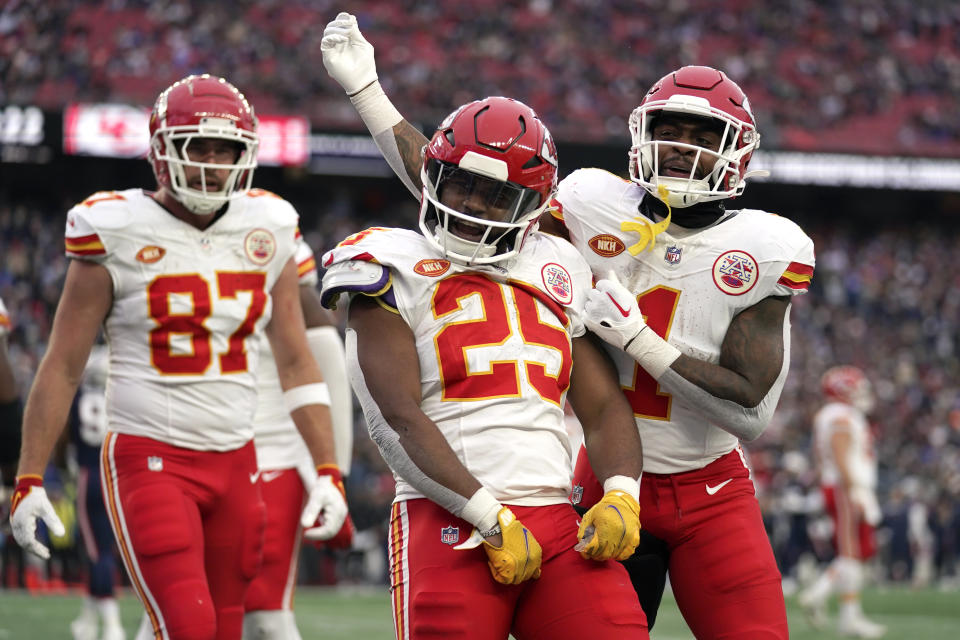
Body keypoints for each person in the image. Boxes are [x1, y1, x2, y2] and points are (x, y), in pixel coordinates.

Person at [321, 15, 815, 638]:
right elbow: (478, 195)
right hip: (590, 477)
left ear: (737, 148)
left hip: (702, 479)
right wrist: (368, 92)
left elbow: (749, 414)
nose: (684, 147)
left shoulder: (767, 246)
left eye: (703, 134)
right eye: (671, 130)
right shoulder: (586, 206)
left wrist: (640, 345)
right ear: (641, 133)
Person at [9, 74, 348, 640]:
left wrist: (329, 469)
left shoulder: (269, 225)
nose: (213, 162)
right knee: (187, 624)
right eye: (199, 146)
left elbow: (296, 361)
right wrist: (29, 475)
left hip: (239, 460)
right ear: (163, 151)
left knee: (226, 628)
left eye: (227, 149)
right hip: (149, 455)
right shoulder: (113, 228)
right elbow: (63, 364)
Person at [319, 94, 649, 639]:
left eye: (499, 196)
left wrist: (621, 493)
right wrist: (487, 517)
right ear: (432, 176)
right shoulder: (384, 260)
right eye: (461, 184)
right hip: (446, 515)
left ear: (533, 206)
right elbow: (395, 419)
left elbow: (604, 403)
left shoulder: (558, 264)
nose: (474, 205)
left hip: (555, 517)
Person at [241, 236, 355, 640]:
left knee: (264, 613)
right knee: (179, 611)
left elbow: (326, 352)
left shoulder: (267, 238)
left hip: (271, 453)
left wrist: (334, 475)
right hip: (193, 449)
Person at [799, 366, 886, 638]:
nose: (861, 394)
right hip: (843, 487)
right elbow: (840, 453)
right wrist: (853, 490)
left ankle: (835, 605)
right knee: (850, 553)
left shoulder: (836, 414)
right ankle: (840, 611)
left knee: (855, 554)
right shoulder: (839, 415)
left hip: (842, 486)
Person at [69, 346, 127, 640]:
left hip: (89, 475)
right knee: (103, 549)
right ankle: (88, 620)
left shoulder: (78, 398)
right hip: (115, 477)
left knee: (97, 552)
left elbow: (65, 439)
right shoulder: (119, 397)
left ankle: (112, 624)